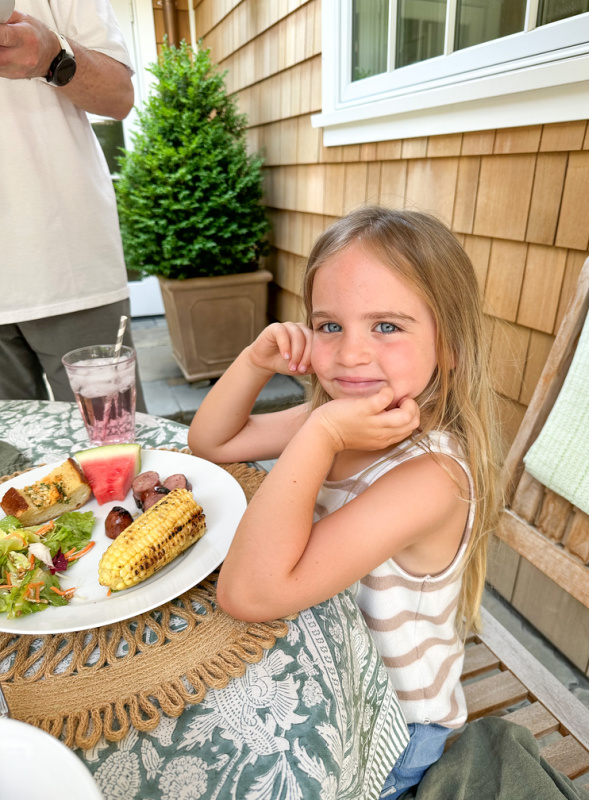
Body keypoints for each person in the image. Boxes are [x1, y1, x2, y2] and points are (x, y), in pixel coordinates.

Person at [187, 205, 502, 797]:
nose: (351, 352)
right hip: (332, 675)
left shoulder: (431, 475)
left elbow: (250, 593)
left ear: (451, 344)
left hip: (391, 731)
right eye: (329, 326)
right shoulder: (334, 419)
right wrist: (257, 362)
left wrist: (321, 435)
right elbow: (212, 442)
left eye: (387, 325)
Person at [0, 0, 146, 410]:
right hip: (67, 266)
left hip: (67, 267)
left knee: (112, 447)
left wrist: (51, 56)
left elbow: (119, 97)